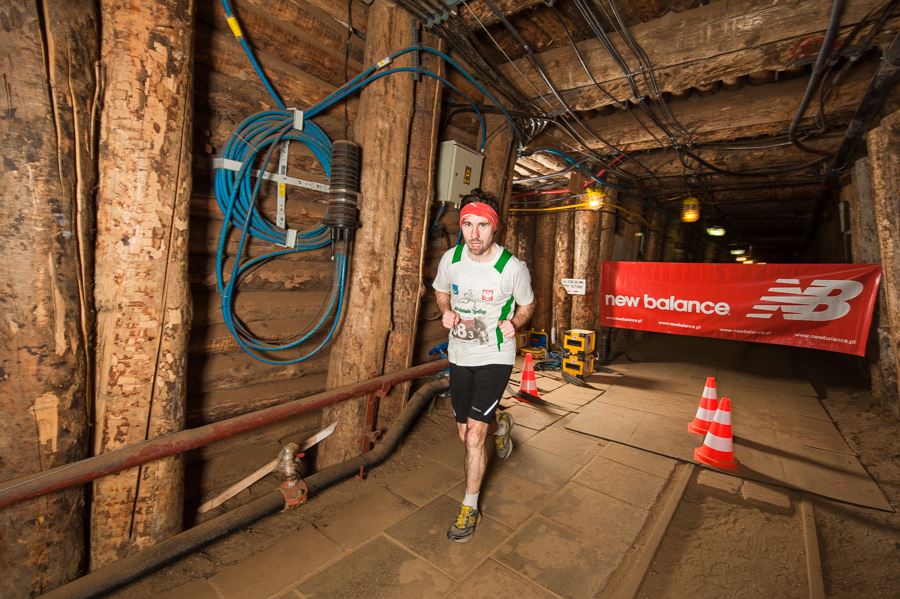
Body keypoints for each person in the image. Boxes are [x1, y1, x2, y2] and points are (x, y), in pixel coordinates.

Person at [432, 189, 535, 543]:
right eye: (467, 225)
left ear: (495, 227)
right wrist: (445, 310)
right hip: (460, 354)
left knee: (474, 436)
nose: (474, 234)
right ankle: (501, 423)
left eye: (483, 226)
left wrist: (515, 323)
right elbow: (441, 291)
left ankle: (469, 507)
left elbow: (527, 304)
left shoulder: (511, 268)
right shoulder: (451, 259)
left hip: (495, 354)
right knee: (465, 433)